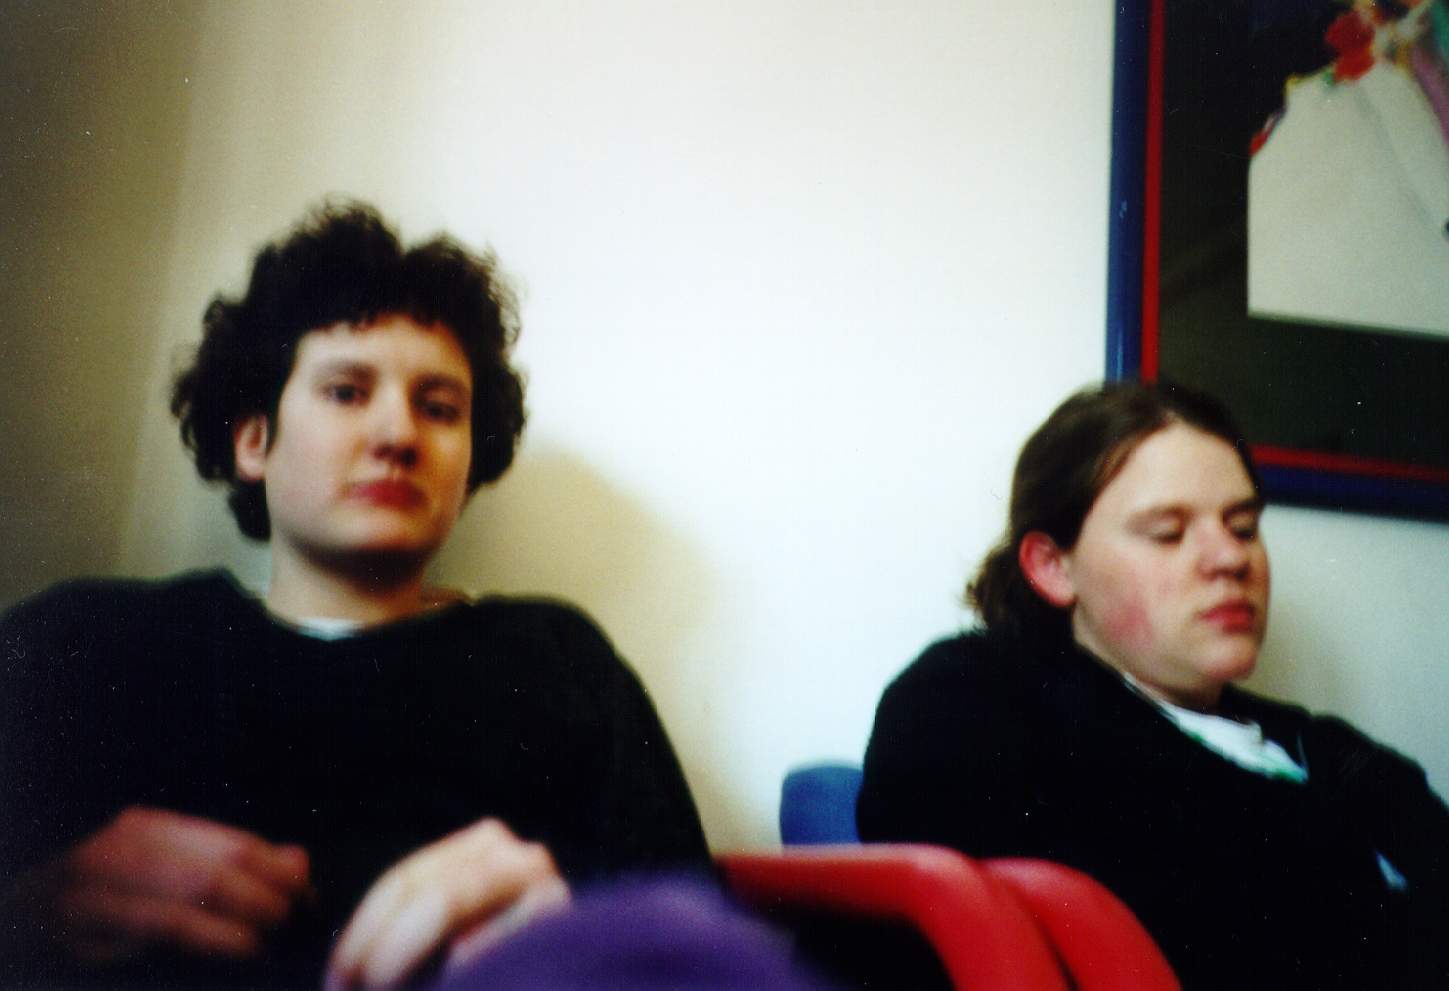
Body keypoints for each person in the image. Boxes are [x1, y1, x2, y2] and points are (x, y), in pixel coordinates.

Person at [0, 203, 709, 989]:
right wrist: (28, 910)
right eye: (345, 391)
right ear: (253, 439)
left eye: (439, 408)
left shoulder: (561, 664)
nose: (398, 434)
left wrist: (582, 939)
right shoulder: (89, 643)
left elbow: (712, 954)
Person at [857, 381, 1449, 989]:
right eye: (1168, 532)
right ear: (1053, 567)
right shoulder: (966, 699)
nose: (1231, 558)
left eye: (1243, 526)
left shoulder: (1322, 745)